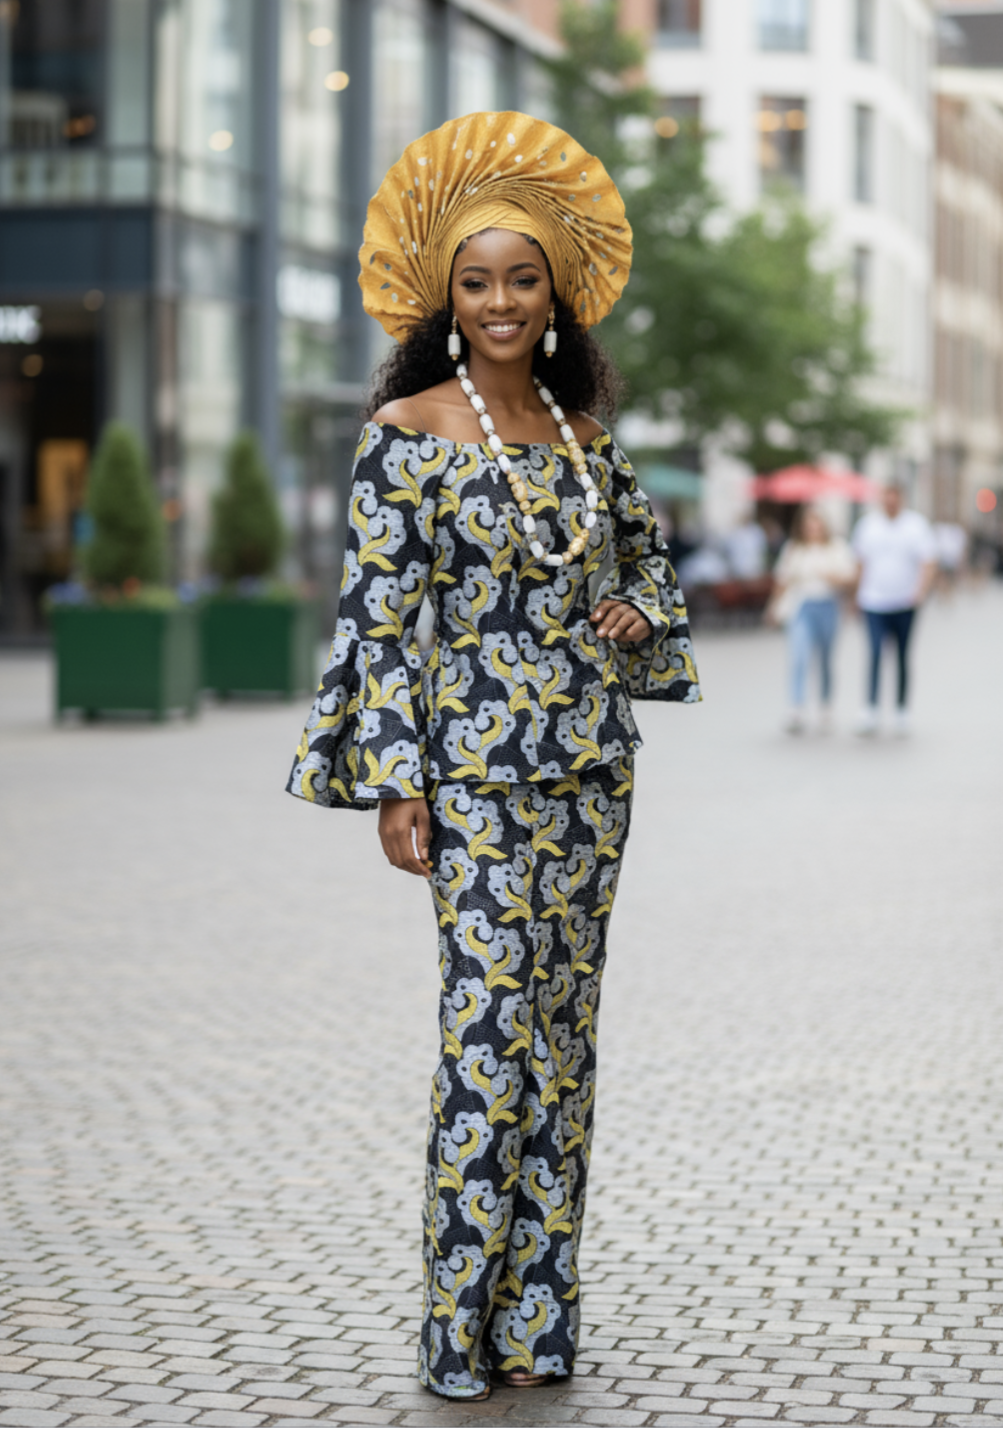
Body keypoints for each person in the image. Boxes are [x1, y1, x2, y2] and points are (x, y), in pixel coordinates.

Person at [285, 112, 700, 1402]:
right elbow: (378, 619)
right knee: (487, 1032)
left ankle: (538, 1320)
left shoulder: (586, 440)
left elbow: (651, 585)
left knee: (564, 1041)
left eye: (524, 279)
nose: (504, 301)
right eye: (479, 281)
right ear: (445, 297)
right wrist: (397, 781)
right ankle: (454, 1326)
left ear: (557, 294)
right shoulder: (406, 433)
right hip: (470, 775)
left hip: (590, 774)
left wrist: (635, 616)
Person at [851, 483, 937, 735]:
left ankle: (901, 709)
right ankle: (871, 709)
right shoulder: (867, 525)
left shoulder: (916, 525)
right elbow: (860, 562)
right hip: (873, 601)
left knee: (902, 655)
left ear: (901, 499)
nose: (890, 502)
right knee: (875, 653)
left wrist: (920, 592)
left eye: (894, 498)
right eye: (886, 498)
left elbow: (928, 561)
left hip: (904, 602)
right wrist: (854, 595)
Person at [768, 507, 856, 733]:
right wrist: (773, 606)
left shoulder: (836, 548)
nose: (813, 529)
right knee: (799, 656)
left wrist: (831, 576)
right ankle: (796, 708)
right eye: (809, 525)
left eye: (816, 524)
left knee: (826, 658)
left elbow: (850, 578)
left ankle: (825, 705)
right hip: (802, 605)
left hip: (828, 605)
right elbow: (783, 579)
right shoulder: (794, 549)